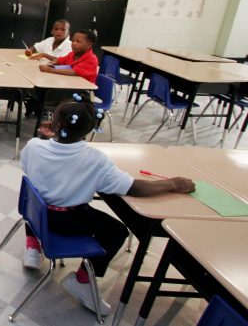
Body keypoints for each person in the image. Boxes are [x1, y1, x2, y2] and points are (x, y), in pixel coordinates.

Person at [20, 94, 195, 315]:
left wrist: (47, 139)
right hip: (68, 221)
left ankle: (33, 246)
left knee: (40, 192)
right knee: (117, 232)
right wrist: (171, 183)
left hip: (36, 215)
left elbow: (31, 169)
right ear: (88, 130)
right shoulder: (94, 159)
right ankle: (82, 281)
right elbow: (133, 187)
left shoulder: (34, 146)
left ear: (54, 124)